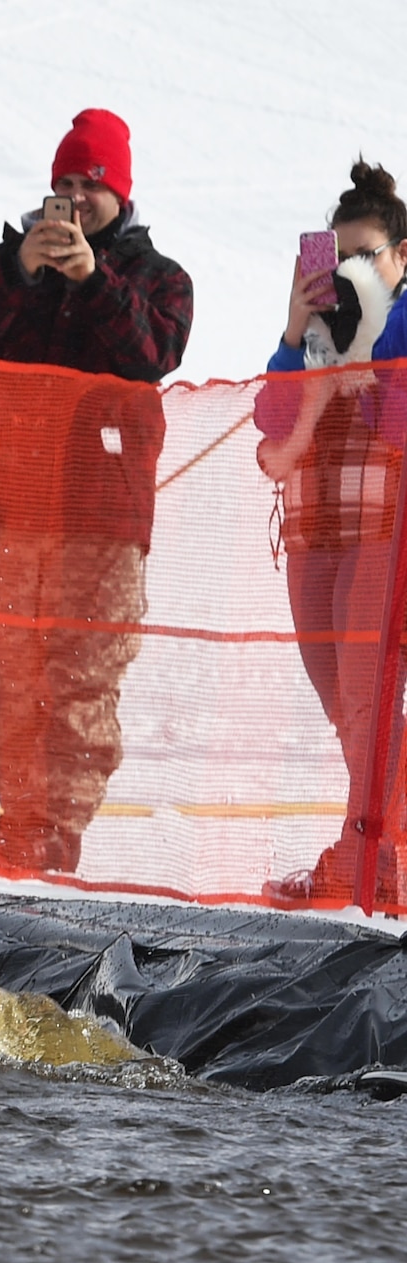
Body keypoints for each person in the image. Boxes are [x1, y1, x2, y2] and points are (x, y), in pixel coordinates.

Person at [0, 108, 193, 874]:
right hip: (9, 502)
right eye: (65, 185)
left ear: (122, 193)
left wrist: (92, 278)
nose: (76, 200)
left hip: (99, 516)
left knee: (80, 677)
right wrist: (23, 271)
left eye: (92, 185)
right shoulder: (7, 265)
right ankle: (18, 819)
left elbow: (153, 351)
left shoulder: (158, 277)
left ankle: (55, 832)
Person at [259, 162, 407, 904]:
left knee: (365, 700)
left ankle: (374, 853)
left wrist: (372, 361)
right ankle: (377, 844)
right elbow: (270, 425)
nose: (353, 270)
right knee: (346, 707)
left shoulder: (403, 320)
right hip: (318, 532)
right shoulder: (317, 333)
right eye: (339, 256)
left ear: (402, 257)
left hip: (386, 532)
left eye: (368, 253)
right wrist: (296, 330)